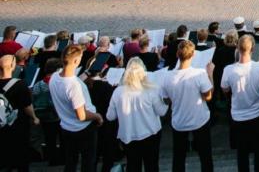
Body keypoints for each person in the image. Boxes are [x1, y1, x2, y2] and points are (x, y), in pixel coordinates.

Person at [221, 35, 259, 172]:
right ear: (252, 49)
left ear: (237, 48)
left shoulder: (228, 70)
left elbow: (225, 89)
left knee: (242, 153)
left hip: (239, 117)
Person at [105, 57, 168, 172]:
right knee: (152, 165)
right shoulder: (150, 90)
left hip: (129, 135)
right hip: (151, 133)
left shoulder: (118, 92)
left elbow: (110, 116)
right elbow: (162, 111)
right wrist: (167, 102)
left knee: (133, 165)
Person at [160, 40, 214, 172]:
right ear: (193, 55)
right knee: (205, 156)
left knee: (178, 158)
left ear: (177, 54)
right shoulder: (199, 74)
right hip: (199, 119)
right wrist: (210, 75)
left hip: (179, 121)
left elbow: (166, 101)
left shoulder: (167, 77)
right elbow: (208, 96)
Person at [49, 44, 103, 172]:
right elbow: (82, 115)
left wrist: (85, 75)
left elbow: (69, 83)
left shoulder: (54, 77)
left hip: (66, 126)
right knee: (88, 163)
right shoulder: (73, 85)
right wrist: (97, 116)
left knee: (70, 161)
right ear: (76, 61)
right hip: (83, 128)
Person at [0, 54, 40, 172]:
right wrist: (34, 117)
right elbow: (27, 106)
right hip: (18, 125)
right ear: (13, 66)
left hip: (2, 125)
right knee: (21, 154)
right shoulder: (20, 84)